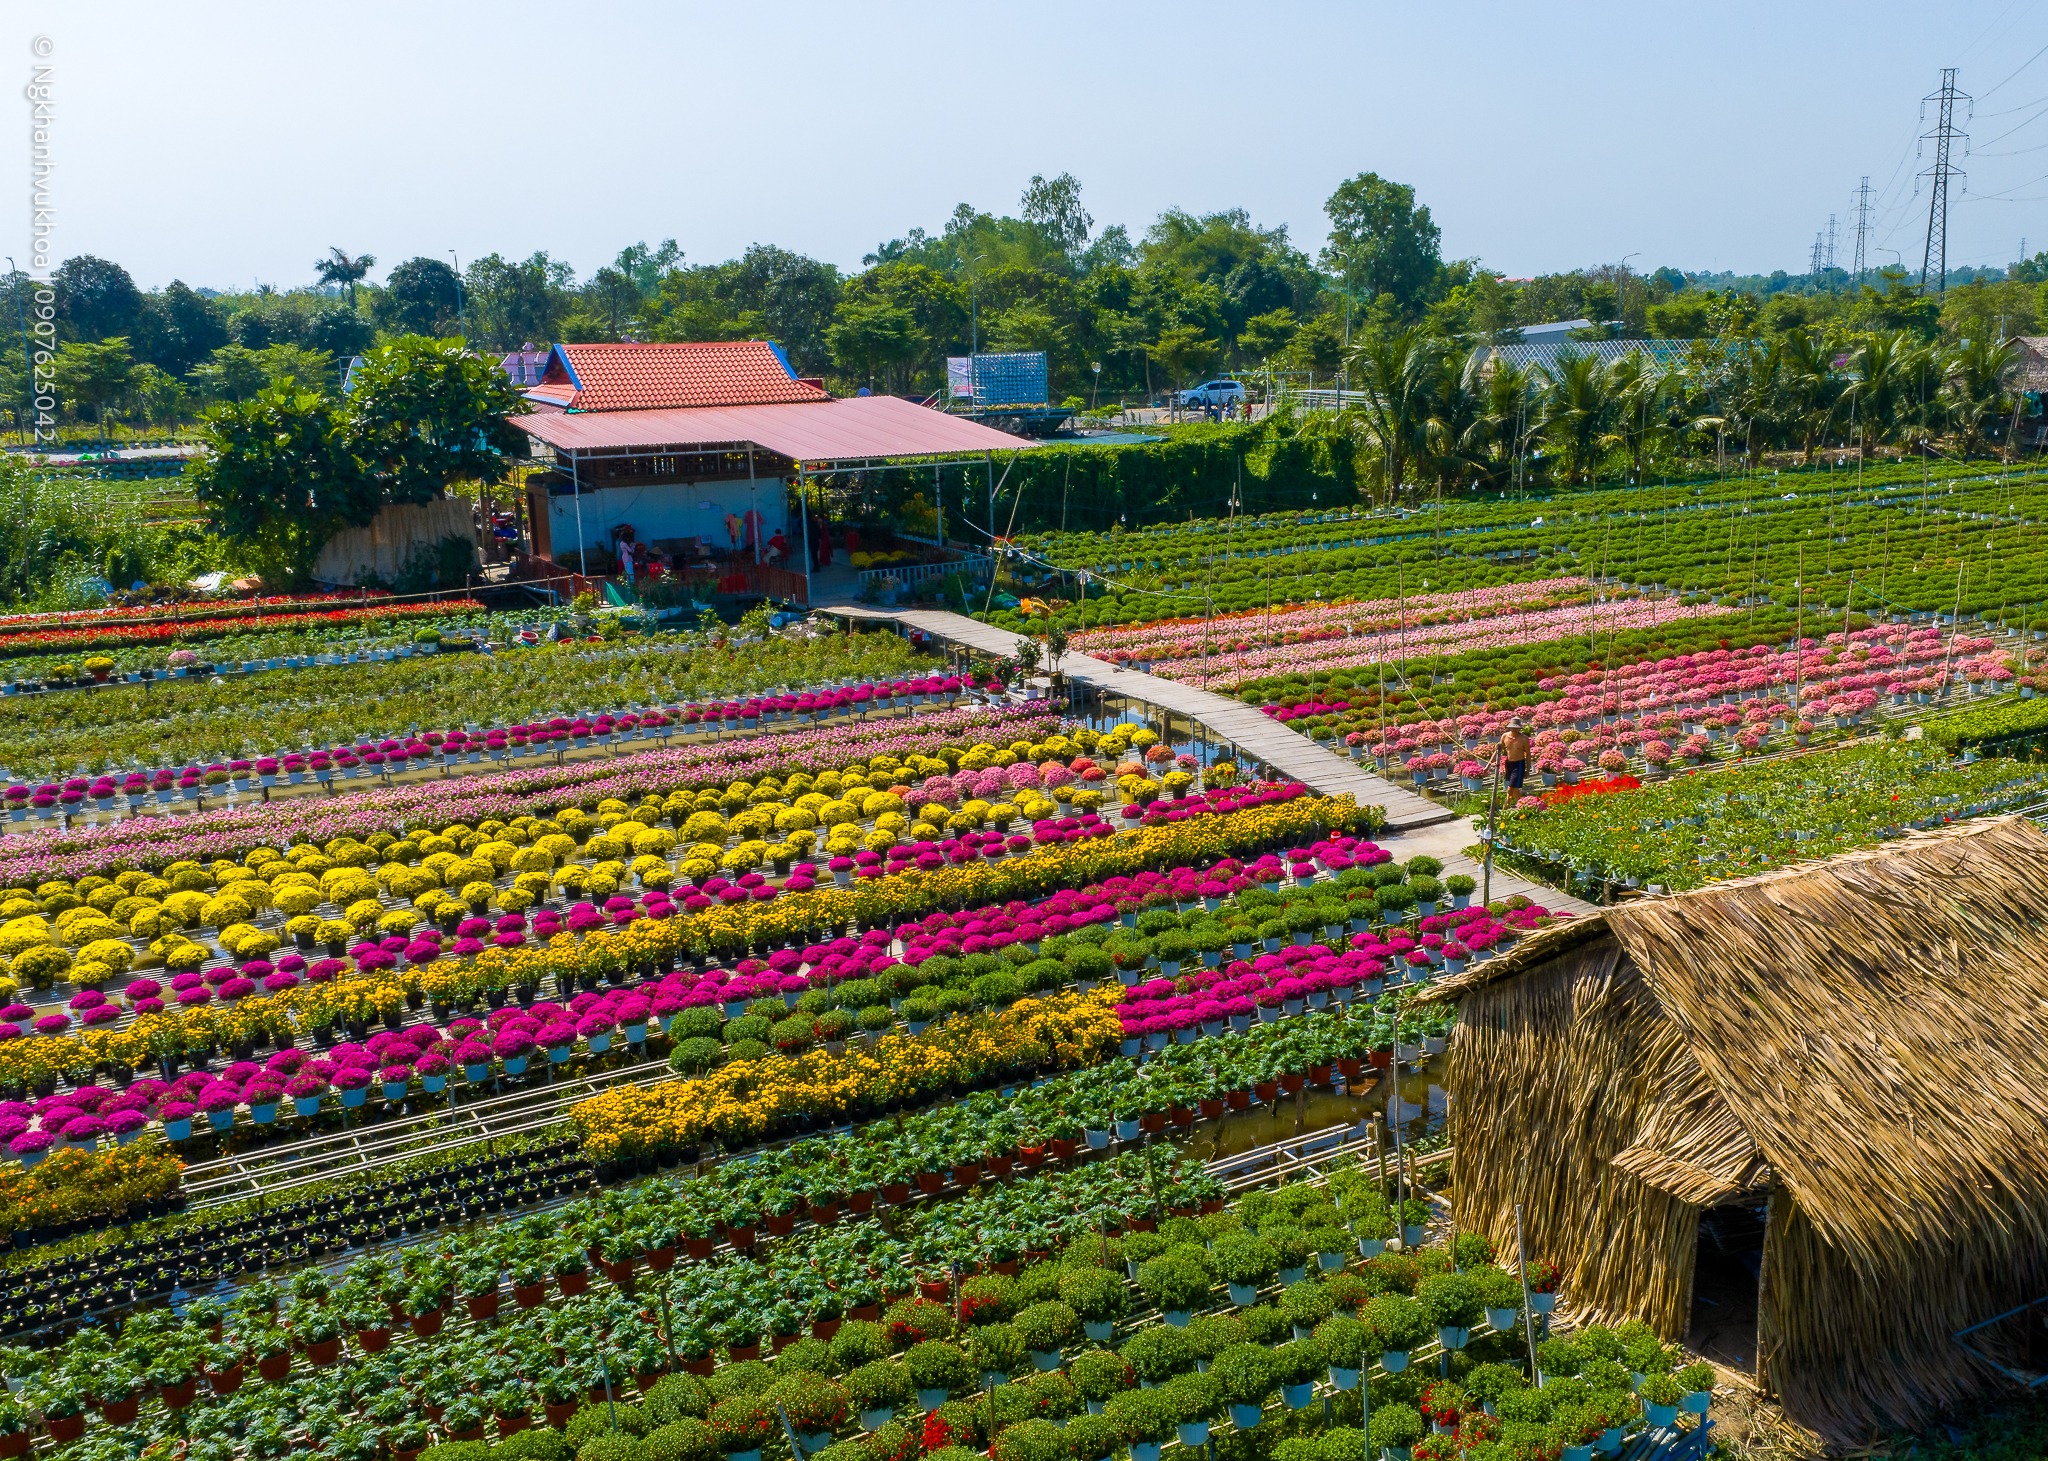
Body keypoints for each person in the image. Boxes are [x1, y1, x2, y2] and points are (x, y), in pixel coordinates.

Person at [1499, 719, 1531, 792]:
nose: (1515, 730)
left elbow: (1528, 755)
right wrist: (1488, 765)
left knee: (1511, 788)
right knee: (1514, 790)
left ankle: (1506, 803)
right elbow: (1498, 750)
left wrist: (1528, 771)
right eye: (1513, 728)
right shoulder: (1505, 736)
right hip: (1509, 763)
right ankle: (1519, 802)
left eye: (1517, 728)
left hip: (1519, 764)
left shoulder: (1524, 738)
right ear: (1510, 728)